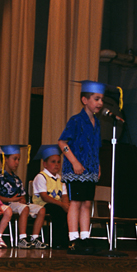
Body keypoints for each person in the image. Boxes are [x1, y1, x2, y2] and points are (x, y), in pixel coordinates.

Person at [58, 80, 105, 255]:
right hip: (76, 170)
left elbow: (95, 146)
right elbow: (62, 142)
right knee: (75, 203)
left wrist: (97, 164)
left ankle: (85, 236)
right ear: (85, 100)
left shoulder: (97, 123)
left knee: (87, 202)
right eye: (96, 99)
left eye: (101, 99)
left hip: (90, 169)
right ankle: (73, 238)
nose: (100, 103)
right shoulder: (76, 120)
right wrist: (75, 162)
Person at [0, 144, 47, 249]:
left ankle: (34, 238)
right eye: (14, 159)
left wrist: (22, 199)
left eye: (18, 159)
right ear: (5, 159)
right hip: (6, 204)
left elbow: (22, 194)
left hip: (19, 204)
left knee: (41, 210)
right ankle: (22, 238)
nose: (17, 162)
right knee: (24, 208)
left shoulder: (16, 178)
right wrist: (11, 199)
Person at [32, 145, 69, 249]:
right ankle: (56, 241)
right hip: (42, 205)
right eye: (53, 162)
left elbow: (64, 195)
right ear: (45, 164)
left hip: (57, 204)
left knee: (70, 211)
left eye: (58, 162)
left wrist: (66, 205)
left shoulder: (60, 179)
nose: (56, 165)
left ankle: (68, 240)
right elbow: (44, 197)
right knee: (58, 211)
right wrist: (62, 205)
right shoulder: (41, 177)